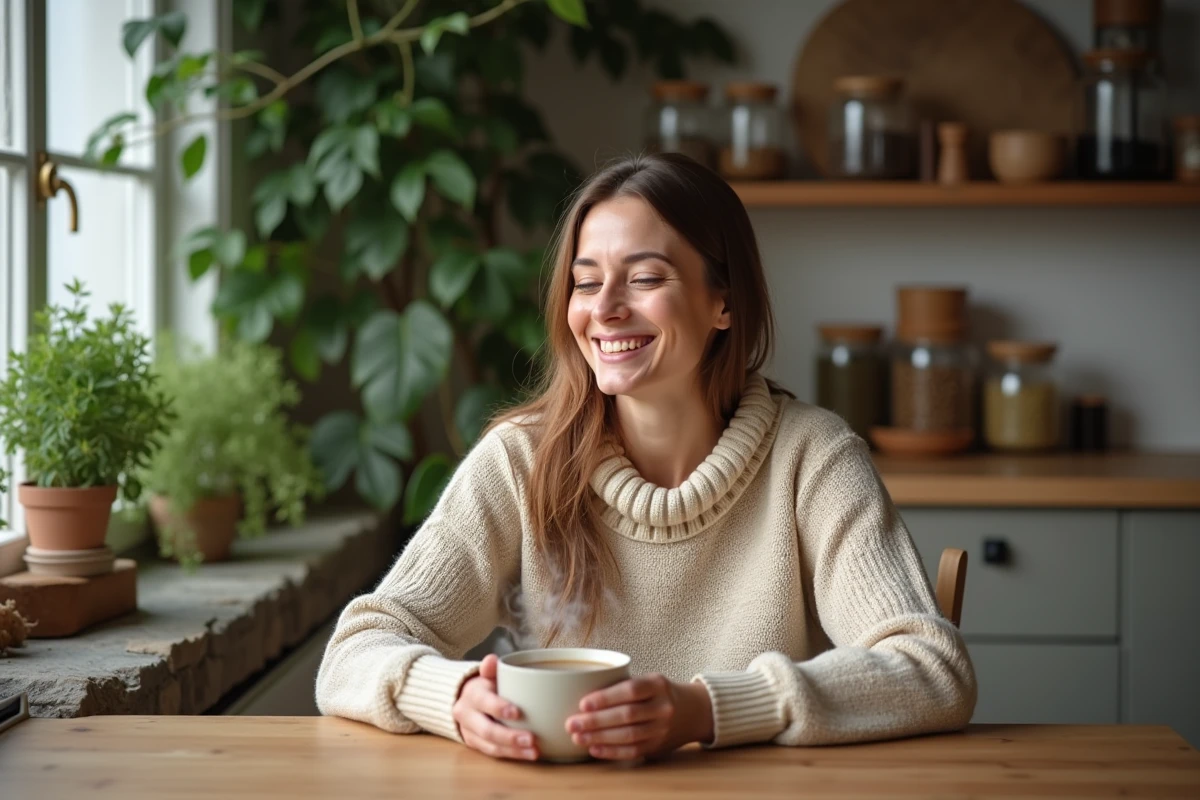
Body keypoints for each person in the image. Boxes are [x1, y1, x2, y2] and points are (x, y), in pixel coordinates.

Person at [315, 152, 976, 762]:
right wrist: (453, 697)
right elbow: (353, 653)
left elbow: (931, 668)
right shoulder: (520, 461)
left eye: (645, 278)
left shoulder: (813, 458)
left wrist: (706, 710)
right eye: (586, 281)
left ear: (724, 301)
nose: (604, 309)